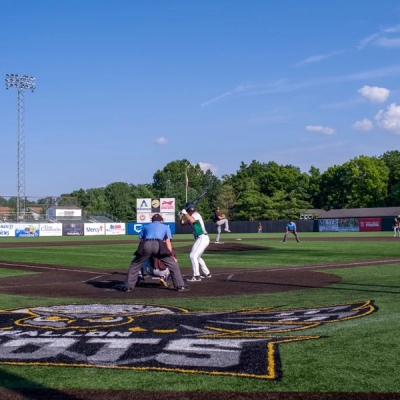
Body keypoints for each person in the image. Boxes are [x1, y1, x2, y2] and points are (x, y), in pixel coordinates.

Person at [118, 213, 189, 292]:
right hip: (159, 245)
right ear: (161, 221)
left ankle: (127, 286)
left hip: (147, 244)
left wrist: (140, 254)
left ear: (152, 221)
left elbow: (141, 241)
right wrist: (170, 255)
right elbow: (168, 242)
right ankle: (180, 286)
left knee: (135, 264)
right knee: (173, 265)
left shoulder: (145, 227)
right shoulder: (165, 227)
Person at [179, 202, 212, 282]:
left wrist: (185, 213)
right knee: (197, 257)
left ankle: (196, 276)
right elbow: (183, 223)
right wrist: (179, 216)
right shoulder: (191, 215)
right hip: (201, 238)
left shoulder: (195, 214)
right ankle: (206, 273)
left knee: (192, 256)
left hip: (202, 237)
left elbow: (191, 220)